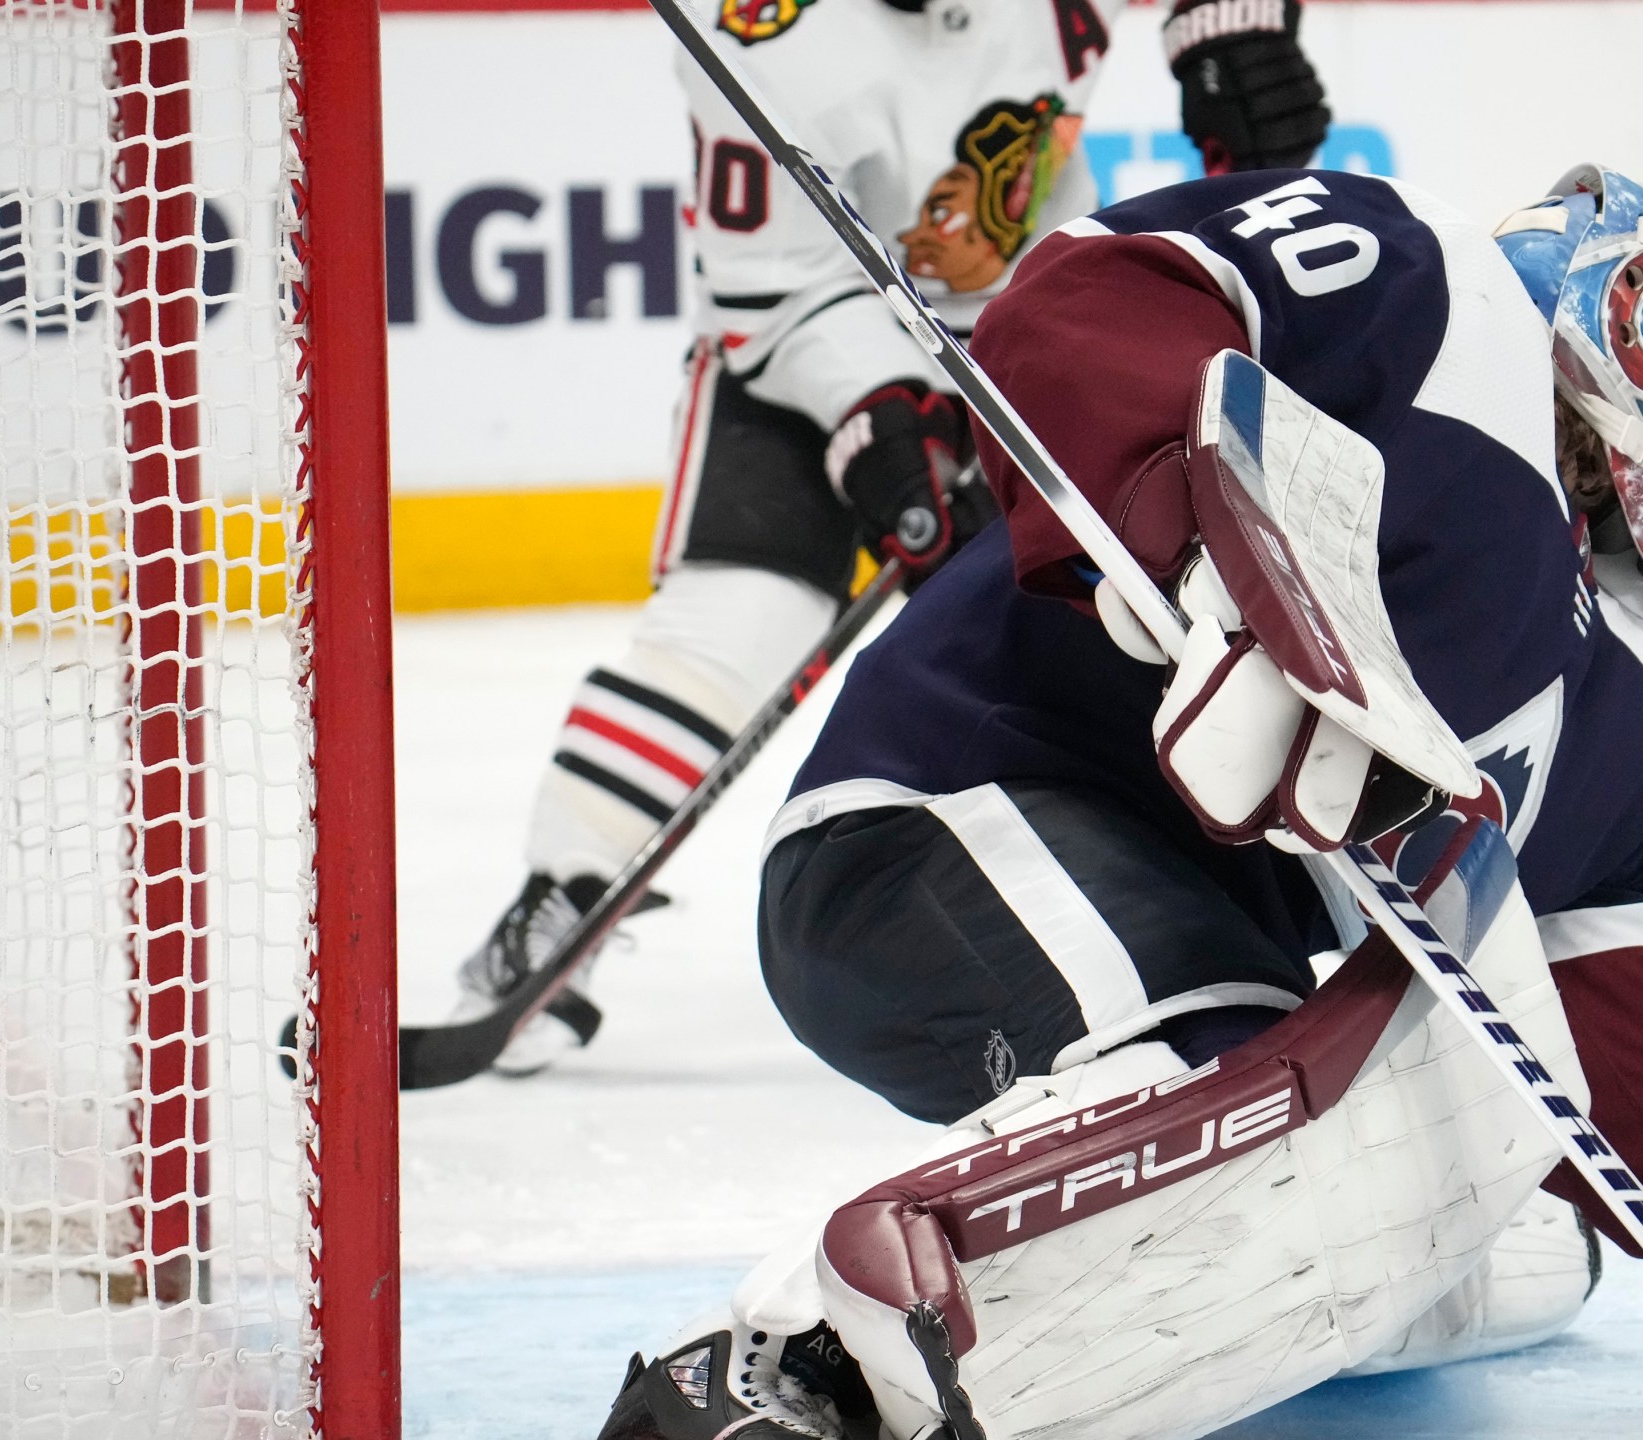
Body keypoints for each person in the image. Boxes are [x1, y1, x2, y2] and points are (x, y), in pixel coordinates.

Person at [590, 165, 1643, 1440]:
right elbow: (1081, 302)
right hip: (938, 815)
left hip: (1179, 945)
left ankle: (950, 1366)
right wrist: (1203, 551)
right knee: (1233, 1100)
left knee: (1387, 1194)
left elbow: (1642, 977)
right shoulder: (1426, 288)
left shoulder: (1604, 684)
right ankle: (774, 1369)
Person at [450, 0, 1333, 1073]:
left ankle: (1193, 892)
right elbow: (771, 289)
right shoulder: (762, 34)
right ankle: (561, 895)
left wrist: (1224, 30)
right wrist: (880, 408)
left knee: (1122, 622)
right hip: (803, 348)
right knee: (738, 622)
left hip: (1029, 332)